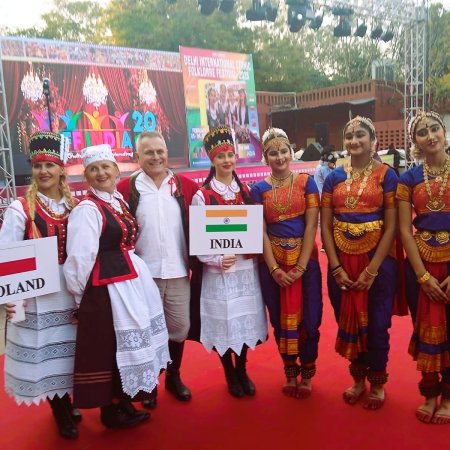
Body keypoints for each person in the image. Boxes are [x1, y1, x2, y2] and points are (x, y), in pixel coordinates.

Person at [64, 144, 170, 429]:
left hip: (131, 280)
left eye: (105, 167)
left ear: (116, 171)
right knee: (113, 345)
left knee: (125, 343)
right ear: (86, 175)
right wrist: (80, 299)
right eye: (94, 169)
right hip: (108, 288)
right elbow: (80, 258)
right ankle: (111, 410)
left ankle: (123, 400)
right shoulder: (87, 209)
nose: (101, 173)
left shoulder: (118, 201)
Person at [0, 131, 80, 439]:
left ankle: (68, 399)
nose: (43, 171)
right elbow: (7, 253)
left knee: (69, 351)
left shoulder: (76, 205)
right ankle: (60, 411)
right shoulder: (21, 208)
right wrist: (12, 297)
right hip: (37, 293)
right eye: (37, 166)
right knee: (45, 351)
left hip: (69, 289)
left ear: (61, 169)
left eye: (49, 165)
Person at [321, 116, 398, 410]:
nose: (354, 141)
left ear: (373, 140)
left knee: (377, 325)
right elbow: (325, 226)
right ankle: (358, 379)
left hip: (377, 263)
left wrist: (372, 269)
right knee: (348, 322)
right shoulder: (333, 177)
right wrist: (336, 267)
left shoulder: (387, 175)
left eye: (360, 135)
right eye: (349, 136)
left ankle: (377, 383)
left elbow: (391, 226)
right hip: (341, 262)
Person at [117, 131, 198, 408]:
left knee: (179, 328)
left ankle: (173, 376)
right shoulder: (126, 189)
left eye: (160, 151)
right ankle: (150, 383)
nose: (156, 157)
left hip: (178, 271)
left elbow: (209, 222)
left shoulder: (185, 187)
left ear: (167, 152)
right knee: (148, 331)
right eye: (149, 152)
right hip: (142, 277)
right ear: (137, 156)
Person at [191, 126, 268, 398]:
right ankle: (229, 372)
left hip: (245, 269)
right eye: (220, 156)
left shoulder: (245, 190)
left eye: (230, 155)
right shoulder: (202, 196)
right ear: (212, 160)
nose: (226, 160)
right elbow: (199, 239)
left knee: (244, 318)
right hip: (220, 272)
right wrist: (216, 258)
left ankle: (242, 369)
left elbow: (255, 229)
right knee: (224, 321)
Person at [251, 128, 322, 398]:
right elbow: (260, 231)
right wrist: (274, 269)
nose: (279, 157)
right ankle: (290, 372)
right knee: (281, 322)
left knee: (310, 321)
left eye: (283, 151)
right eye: (273, 153)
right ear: (265, 157)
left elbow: (311, 225)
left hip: (306, 264)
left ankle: (308, 373)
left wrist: (301, 267)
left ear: (291, 153)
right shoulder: (258, 189)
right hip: (273, 266)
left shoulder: (306, 183)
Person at [397, 110, 450, 424]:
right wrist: (422, 276)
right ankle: (430, 393)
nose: (430, 136)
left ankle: (449, 397)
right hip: (421, 264)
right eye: (422, 132)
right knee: (424, 329)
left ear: (444, 132)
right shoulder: (409, 179)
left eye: (434, 129)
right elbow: (405, 231)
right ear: (414, 141)